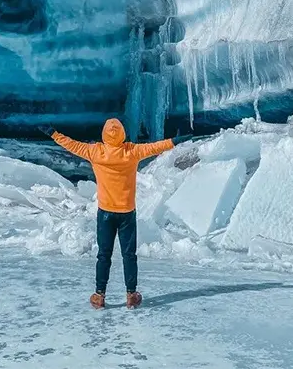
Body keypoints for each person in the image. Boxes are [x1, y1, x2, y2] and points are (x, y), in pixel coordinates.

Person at [41, 118, 185, 308]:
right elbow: (154, 148)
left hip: (106, 213)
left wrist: (53, 133)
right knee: (129, 255)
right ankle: (131, 295)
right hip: (126, 213)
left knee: (104, 254)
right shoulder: (132, 152)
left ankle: (100, 296)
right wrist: (175, 141)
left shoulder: (95, 152)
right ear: (123, 134)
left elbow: (72, 145)